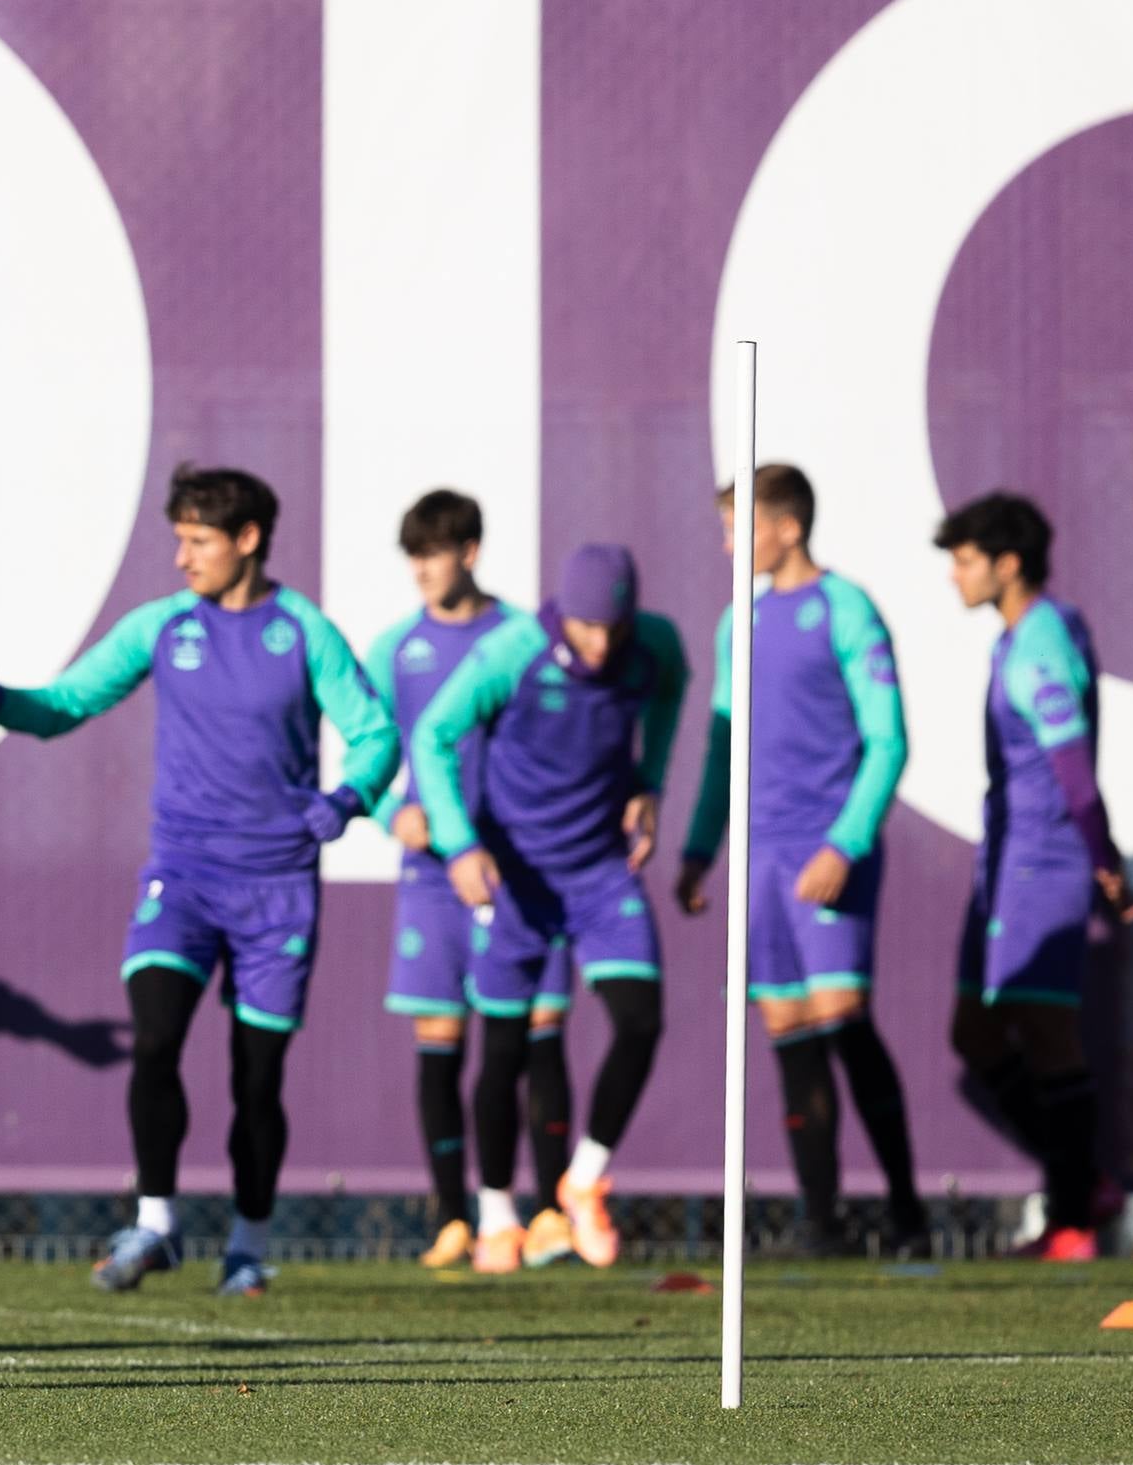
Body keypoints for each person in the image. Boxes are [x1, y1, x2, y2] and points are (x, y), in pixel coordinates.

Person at [0, 463, 397, 1298]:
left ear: (247, 539)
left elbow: (375, 735)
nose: (182, 558)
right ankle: (154, 1224)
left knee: (255, 1080)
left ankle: (248, 1246)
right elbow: (66, 704)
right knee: (153, 1041)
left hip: (275, 891)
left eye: (197, 541)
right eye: (177, 540)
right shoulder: (161, 626)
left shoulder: (303, 632)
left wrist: (349, 796)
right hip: (182, 877)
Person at [412, 543, 685, 1274]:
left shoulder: (654, 645)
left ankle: (583, 1180)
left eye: (612, 629)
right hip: (516, 880)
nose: (600, 644)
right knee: (503, 1049)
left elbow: (671, 693)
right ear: (563, 615)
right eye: (587, 628)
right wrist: (459, 844)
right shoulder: (512, 653)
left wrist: (649, 784)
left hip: (600, 873)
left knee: (640, 1020)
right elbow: (432, 735)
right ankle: (497, 1213)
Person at [675, 465, 922, 1255]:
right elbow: (721, 748)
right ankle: (821, 1222)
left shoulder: (845, 609)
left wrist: (844, 844)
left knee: (842, 1020)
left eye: (738, 527)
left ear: (786, 527)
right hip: (761, 859)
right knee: (785, 1029)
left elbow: (887, 740)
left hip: (826, 851)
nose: (727, 545)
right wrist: (698, 849)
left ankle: (908, 1215)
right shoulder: (736, 622)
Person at [363, 490, 581, 1269]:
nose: (422, 570)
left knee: (536, 1035)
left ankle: (549, 1210)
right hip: (433, 880)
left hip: (521, 874)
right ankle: (454, 1218)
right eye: (413, 555)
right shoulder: (394, 650)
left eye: (434, 553)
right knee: (441, 1043)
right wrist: (389, 812)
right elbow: (366, 747)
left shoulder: (521, 639)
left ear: (469, 552)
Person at [933, 492, 1129, 1261]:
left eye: (964, 560)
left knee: (1046, 1035)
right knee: (973, 1031)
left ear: (1007, 565)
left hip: (1041, 863)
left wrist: (1102, 860)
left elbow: (1071, 772)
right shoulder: (1023, 635)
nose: (953, 576)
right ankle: (1081, 1183)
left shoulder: (1040, 643)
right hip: (1003, 863)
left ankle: (1074, 1217)